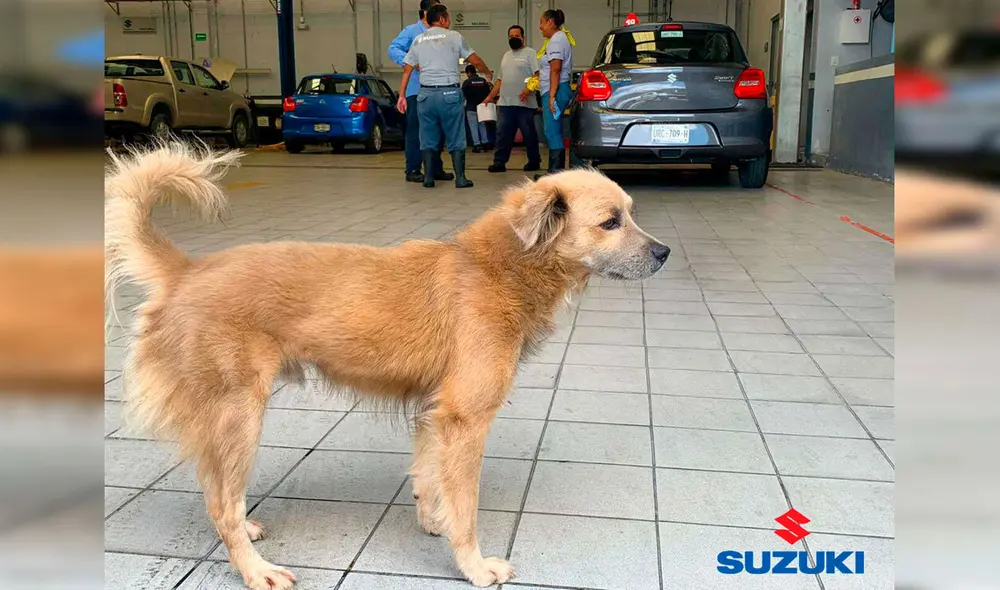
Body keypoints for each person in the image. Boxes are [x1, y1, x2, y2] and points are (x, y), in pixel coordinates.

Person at [397, 4, 492, 189]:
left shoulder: (418, 40)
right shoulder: (454, 37)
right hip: (449, 93)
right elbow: (475, 60)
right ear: (441, 19)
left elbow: (407, 69)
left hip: (424, 95)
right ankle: (461, 178)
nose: (448, 22)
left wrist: (401, 95)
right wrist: (487, 73)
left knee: (427, 137)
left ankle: (429, 178)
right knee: (456, 135)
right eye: (447, 18)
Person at [388, 0, 453, 184]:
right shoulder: (411, 31)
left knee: (437, 130)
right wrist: (410, 62)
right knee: (416, 130)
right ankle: (413, 168)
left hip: (438, 88)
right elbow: (392, 49)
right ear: (425, 11)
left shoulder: (443, 34)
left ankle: (435, 168)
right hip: (416, 89)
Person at [483, 24, 541, 173]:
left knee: (529, 135)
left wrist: (529, 89)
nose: (513, 38)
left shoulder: (530, 53)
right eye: (511, 36)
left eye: (516, 35)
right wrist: (490, 97)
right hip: (505, 104)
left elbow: (537, 75)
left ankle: (534, 161)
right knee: (502, 135)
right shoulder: (506, 56)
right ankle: (499, 162)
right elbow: (499, 80)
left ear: (523, 37)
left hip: (525, 104)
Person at [536, 9, 573, 178]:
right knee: (553, 130)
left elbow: (556, 69)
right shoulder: (558, 39)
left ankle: (554, 175)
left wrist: (551, 96)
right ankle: (554, 173)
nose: (540, 27)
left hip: (556, 90)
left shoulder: (556, 40)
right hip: (557, 89)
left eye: (542, 22)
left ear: (550, 22)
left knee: (552, 131)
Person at [461, 64, 492, 153]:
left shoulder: (467, 82)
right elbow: (488, 93)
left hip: (471, 107)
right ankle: (485, 142)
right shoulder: (483, 81)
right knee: (482, 125)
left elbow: (462, 95)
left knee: (473, 126)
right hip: (482, 107)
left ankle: (477, 144)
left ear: (468, 73)